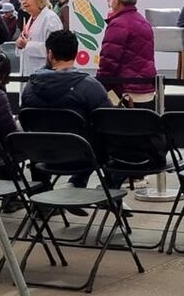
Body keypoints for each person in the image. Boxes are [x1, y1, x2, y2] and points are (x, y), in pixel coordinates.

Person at [21, 31, 116, 188]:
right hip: (84, 156)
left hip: (42, 155)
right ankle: (82, 184)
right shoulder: (90, 87)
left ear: (49, 54)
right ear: (76, 54)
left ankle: (42, 194)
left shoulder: (30, 88)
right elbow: (109, 122)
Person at [97, 0, 157, 106]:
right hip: (145, 85)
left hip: (125, 88)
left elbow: (109, 60)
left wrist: (100, 83)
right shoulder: (144, 22)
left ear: (117, 0)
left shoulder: (118, 24)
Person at [14, 0, 63, 76]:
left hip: (44, 74)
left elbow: (56, 49)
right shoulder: (31, 19)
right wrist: (19, 45)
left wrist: (27, 45)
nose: (24, 2)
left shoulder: (50, 18)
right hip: (30, 72)